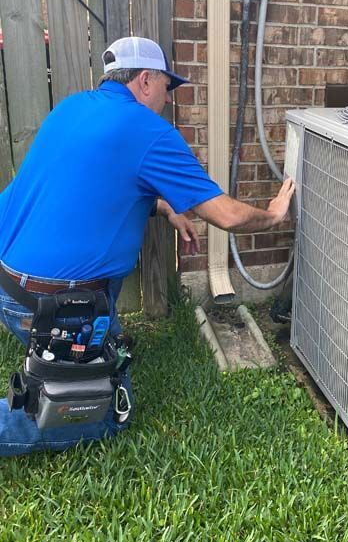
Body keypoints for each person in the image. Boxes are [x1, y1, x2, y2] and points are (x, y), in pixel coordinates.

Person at [0, 36, 294, 456]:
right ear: (145, 81)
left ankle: (65, 359)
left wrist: (164, 206)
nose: (166, 100)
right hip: (50, 302)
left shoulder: (72, 108)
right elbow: (225, 215)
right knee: (108, 413)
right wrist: (273, 213)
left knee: (106, 361)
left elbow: (96, 187)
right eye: (166, 88)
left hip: (8, 281)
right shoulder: (148, 131)